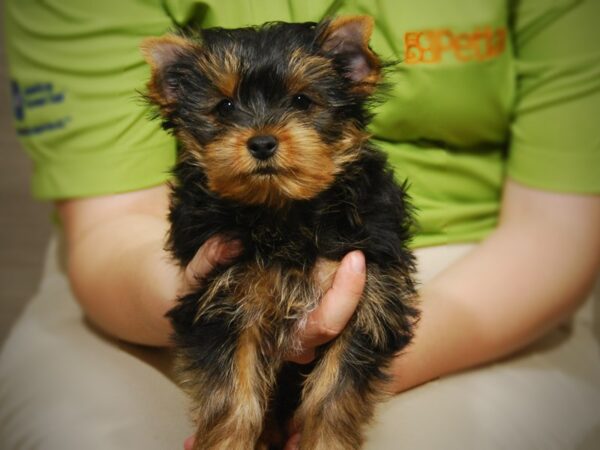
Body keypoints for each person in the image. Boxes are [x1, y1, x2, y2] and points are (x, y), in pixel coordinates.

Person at [1, 0, 599, 449]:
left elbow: (557, 235)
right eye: (226, 109)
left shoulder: (373, 216)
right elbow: (113, 230)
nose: (262, 134)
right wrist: (202, 303)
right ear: (174, 101)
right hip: (136, 275)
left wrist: (321, 388)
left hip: (483, 277)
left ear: (357, 82)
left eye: (303, 104)